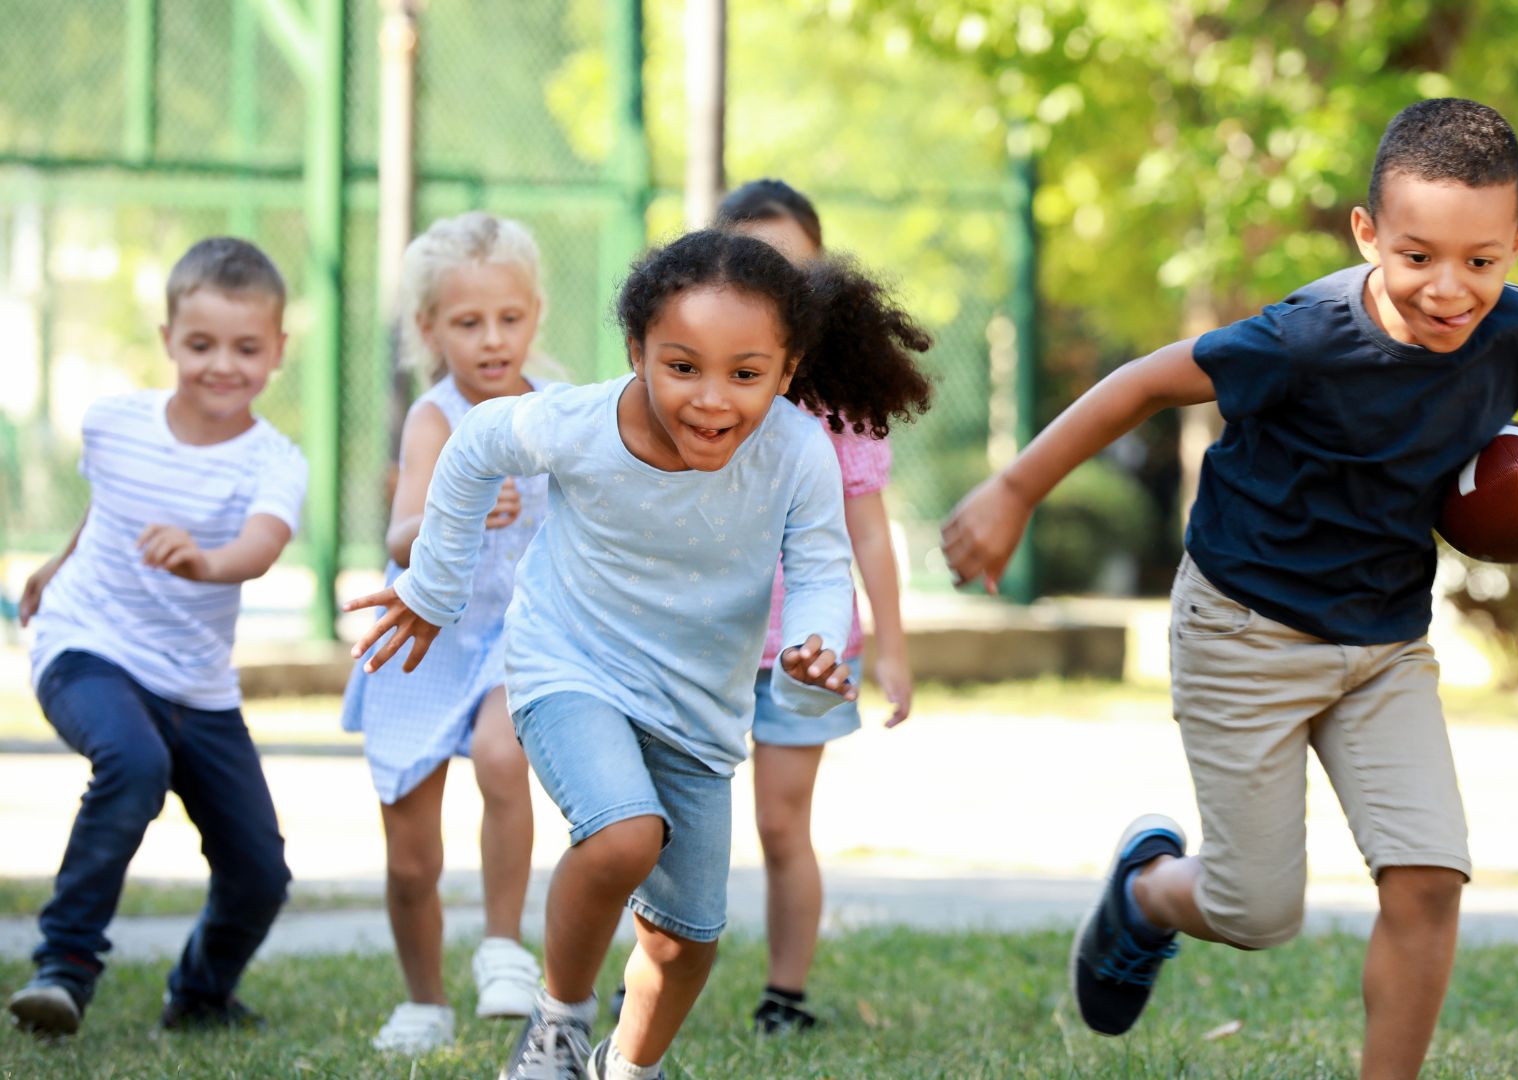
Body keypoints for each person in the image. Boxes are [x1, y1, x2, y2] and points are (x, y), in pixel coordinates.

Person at [942, 98, 1518, 1078]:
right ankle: (1144, 896)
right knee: (1257, 912)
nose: (1449, 287)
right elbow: (1138, 384)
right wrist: (1013, 491)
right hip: (1244, 628)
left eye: (1482, 260)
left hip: (1385, 644)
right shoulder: (1303, 338)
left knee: (1430, 879)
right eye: (1417, 254)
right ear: (1367, 232)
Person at [345, 228, 933, 1080]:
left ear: (789, 368)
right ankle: (556, 1025)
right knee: (624, 837)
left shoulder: (797, 451)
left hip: (697, 708)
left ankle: (626, 1066)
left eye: (746, 373)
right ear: (637, 351)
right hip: (567, 665)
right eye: (682, 366)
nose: (710, 400)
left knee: (685, 940)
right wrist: (434, 588)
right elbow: (473, 446)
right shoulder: (581, 422)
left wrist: (810, 644)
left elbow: (816, 565)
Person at [8, 238, 308, 1037]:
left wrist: (206, 562)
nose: (222, 365)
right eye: (201, 344)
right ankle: (63, 971)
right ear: (170, 338)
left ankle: (202, 993)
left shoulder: (276, 461)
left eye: (247, 348)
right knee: (131, 762)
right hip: (88, 647)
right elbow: (107, 502)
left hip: (198, 685)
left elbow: (264, 545)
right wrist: (57, 564)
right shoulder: (112, 423)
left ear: (278, 350)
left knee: (259, 874)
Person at [340, 212, 549, 1053]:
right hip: (423, 636)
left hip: (515, 631)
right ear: (429, 329)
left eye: (510, 318)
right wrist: (448, 516)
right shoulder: (436, 415)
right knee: (411, 861)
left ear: (535, 313)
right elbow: (399, 539)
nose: (492, 340)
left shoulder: (557, 413)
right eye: (468, 323)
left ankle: (503, 947)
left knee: (506, 756)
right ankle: (424, 999)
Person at [714, 179, 914, 1035]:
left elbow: (869, 536)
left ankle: (783, 997)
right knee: (663, 821)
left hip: (807, 650)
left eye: (793, 267)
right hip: (700, 645)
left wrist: (894, 648)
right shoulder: (700, 392)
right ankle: (646, 973)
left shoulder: (842, 406)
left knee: (780, 825)